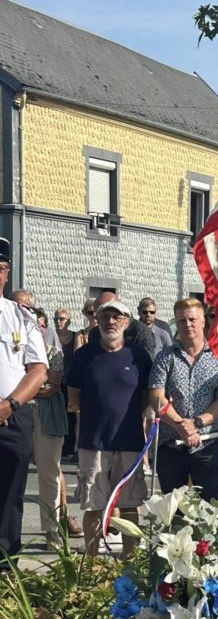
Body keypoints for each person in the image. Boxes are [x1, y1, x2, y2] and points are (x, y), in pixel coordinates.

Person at [67, 298, 152, 557]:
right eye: (105, 317)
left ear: (126, 322)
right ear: (98, 320)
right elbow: (73, 397)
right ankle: (91, 564)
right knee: (93, 507)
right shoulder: (85, 355)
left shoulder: (139, 357)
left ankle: (130, 560)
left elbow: (147, 399)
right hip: (93, 444)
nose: (110, 321)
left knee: (129, 507)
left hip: (130, 443)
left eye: (116, 317)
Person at [149, 298, 218, 503]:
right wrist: (180, 425)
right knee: (172, 513)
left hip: (207, 446)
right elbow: (155, 396)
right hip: (171, 446)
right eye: (181, 321)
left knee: (209, 513)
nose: (187, 325)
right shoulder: (165, 357)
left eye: (192, 319)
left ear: (203, 321)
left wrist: (195, 424)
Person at [0, 238, 48, 565]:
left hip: (12, 417)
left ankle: (5, 574)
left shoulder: (20, 316)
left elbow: (39, 370)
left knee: (8, 499)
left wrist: (10, 404)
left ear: (6, 273)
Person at [31, 309, 79, 546]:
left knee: (49, 471)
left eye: (40, 325)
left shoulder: (52, 347)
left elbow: (52, 384)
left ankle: (51, 528)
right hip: (18, 411)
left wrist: (19, 393)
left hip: (47, 411)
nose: (37, 329)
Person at [53, 308, 78, 459]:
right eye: (56, 319)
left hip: (70, 381)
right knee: (56, 414)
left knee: (71, 415)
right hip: (55, 381)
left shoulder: (75, 336)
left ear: (68, 321)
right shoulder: (50, 336)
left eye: (62, 319)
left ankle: (68, 448)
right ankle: (57, 448)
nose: (59, 322)